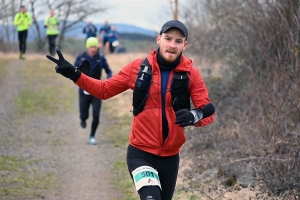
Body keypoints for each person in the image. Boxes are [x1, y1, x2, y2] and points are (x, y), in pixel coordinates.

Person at [46, 20, 215, 200]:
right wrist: (74, 74)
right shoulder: (138, 68)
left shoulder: (191, 74)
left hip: (171, 158)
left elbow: (207, 113)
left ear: (184, 45)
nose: (172, 45)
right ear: (159, 39)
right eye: (168, 39)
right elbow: (104, 90)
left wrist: (193, 116)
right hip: (140, 154)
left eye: (178, 41)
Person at [74, 37, 112, 145]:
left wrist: (108, 80)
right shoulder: (81, 58)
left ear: (97, 47)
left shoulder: (100, 58)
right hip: (83, 91)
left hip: (97, 90)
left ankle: (92, 136)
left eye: (94, 46)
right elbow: (73, 70)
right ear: (87, 47)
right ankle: (83, 119)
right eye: (91, 47)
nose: (93, 49)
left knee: (96, 114)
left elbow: (109, 71)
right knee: (84, 115)